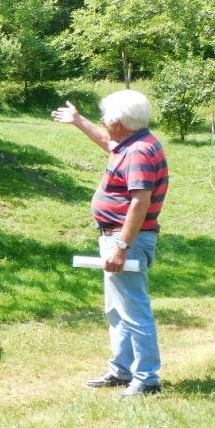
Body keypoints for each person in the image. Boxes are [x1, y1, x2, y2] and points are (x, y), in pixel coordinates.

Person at [51, 90, 169, 397]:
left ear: (119, 122)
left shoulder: (140, 152)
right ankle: (122, 370)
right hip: (116, 237)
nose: (103, 122)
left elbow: (140, 202)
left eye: (106, 118)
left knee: (134, 310)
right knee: (116, 309)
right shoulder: (133, 143)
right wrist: (78, 121)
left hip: (124, 239)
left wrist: (122, 246)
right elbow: (108, 142)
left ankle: (147, 379)